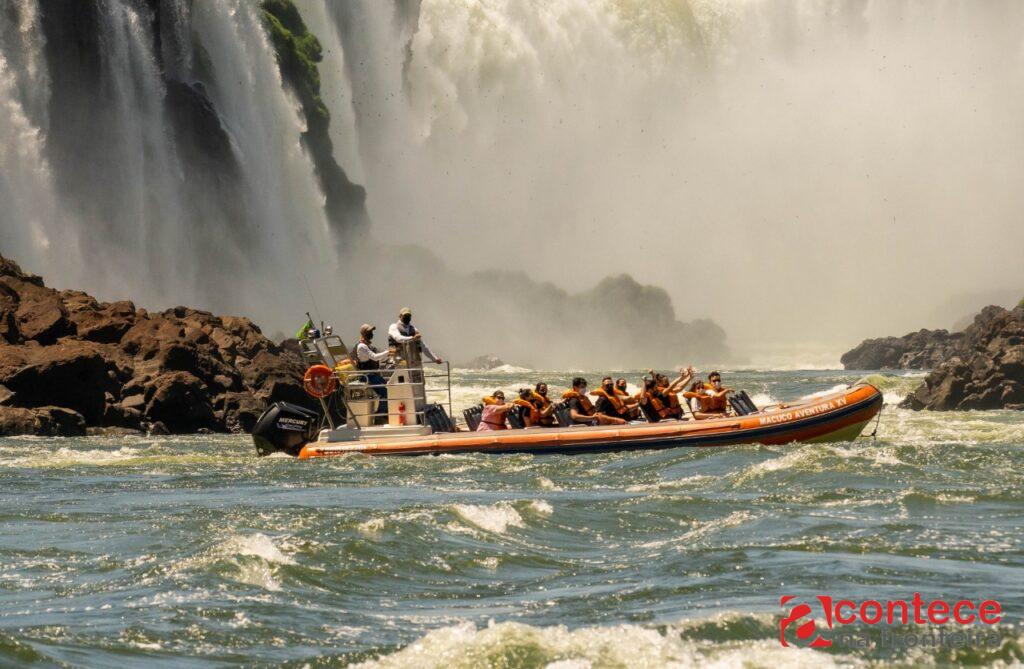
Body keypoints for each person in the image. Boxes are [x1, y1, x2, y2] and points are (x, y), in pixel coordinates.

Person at [354, 324, 394, 425]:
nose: (371, 334)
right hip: (367, 376)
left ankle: (385, 413)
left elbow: (378, 358)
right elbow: (375, 357)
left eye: (371, 332)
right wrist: (388, 351)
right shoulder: (362, 346)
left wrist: (389, 355)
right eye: (369, 332)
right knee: (385, 392)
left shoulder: (368, 346)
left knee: (389, 387)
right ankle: (379, 415)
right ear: (363, 333)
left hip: (373, 375)